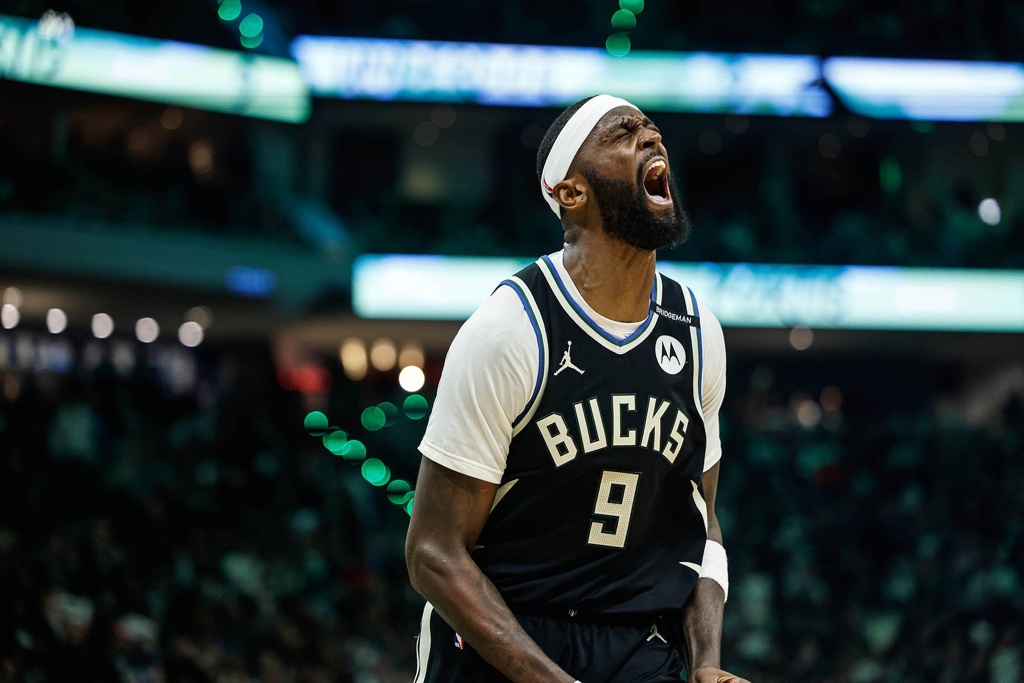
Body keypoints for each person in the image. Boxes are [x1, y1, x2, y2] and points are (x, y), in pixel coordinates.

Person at [405, 94, 748, 683]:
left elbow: (701, 527)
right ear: (571, 193)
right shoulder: (510, 329)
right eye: (623, 133)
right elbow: (432, 553)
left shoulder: (697, 332)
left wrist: (707, 662)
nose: (651, 137)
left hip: (639, 642)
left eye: (651, 128)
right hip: (504, 635)